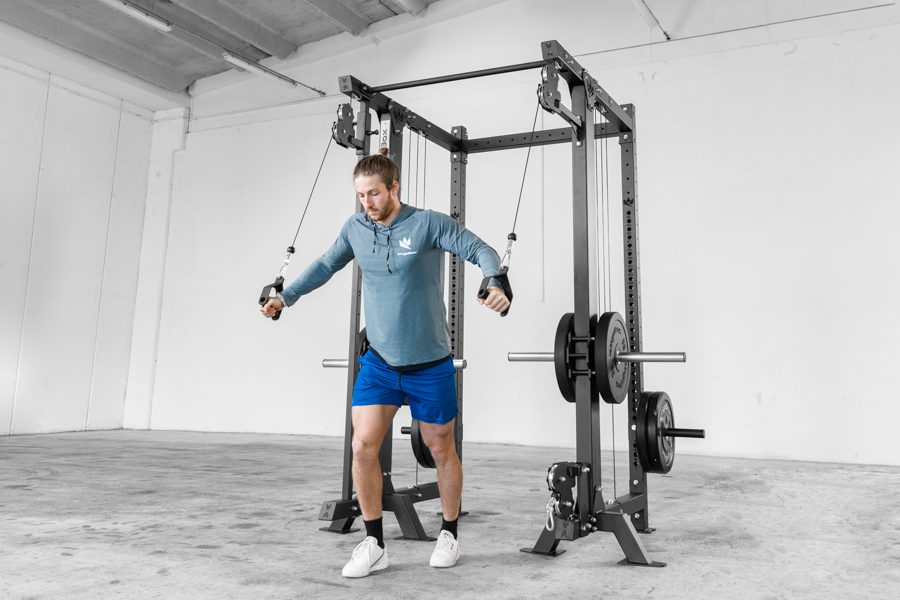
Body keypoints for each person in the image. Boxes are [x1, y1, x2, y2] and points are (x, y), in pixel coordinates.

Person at [259, 147, 510, 577]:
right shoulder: (356, 229)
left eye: (374, 194)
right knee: (362, 447)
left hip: (430, 363)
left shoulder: (427, 223)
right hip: (379, 363)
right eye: (361, 196)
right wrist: (286, 297)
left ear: (394, 187)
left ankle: (449, 531)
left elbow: (478, 248)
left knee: (441, 449)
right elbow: (325, 264)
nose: (367, 203)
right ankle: (374, 542)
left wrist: (496, 280)